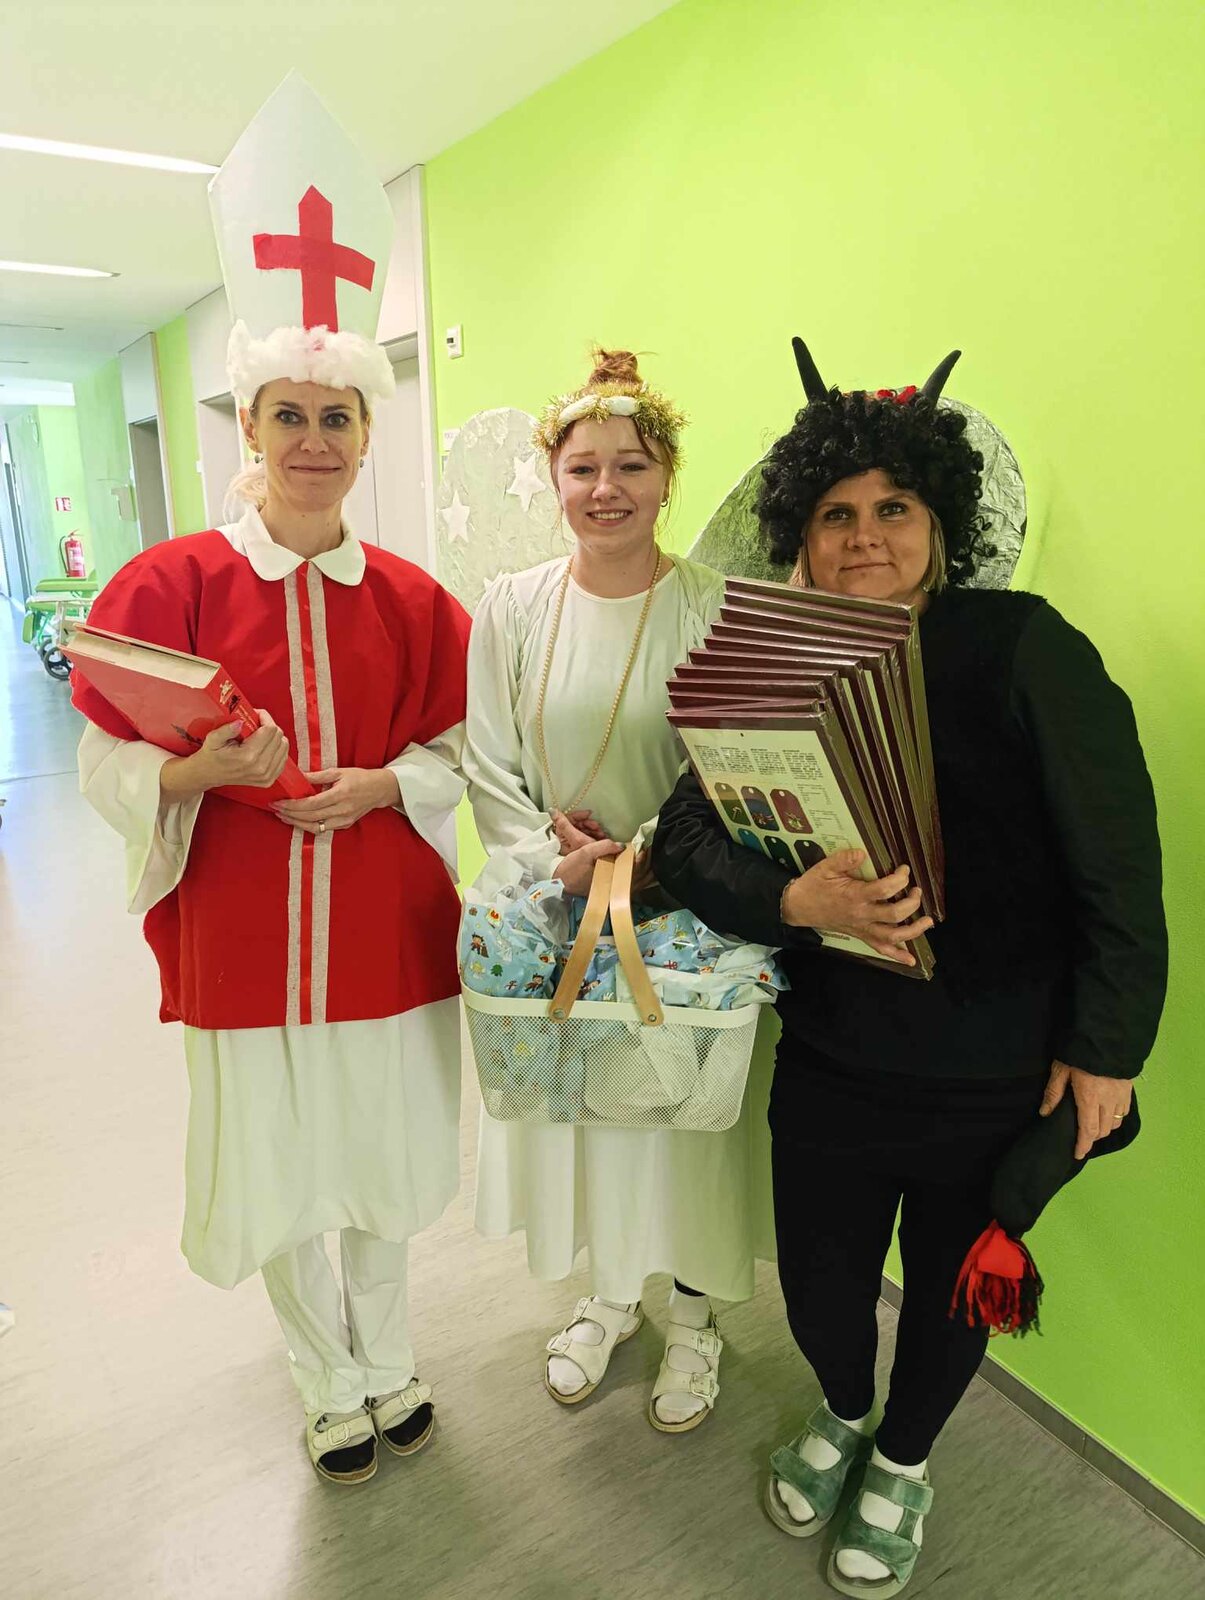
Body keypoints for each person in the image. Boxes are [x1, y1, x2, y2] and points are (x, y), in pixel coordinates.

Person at [651, 339, 1167, 1595]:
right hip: (833, 1058)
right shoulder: (775, 661)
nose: (864, 536)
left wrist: (1107, 1048)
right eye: (835, 515)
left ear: (938, 526)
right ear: (802, 534)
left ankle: (904, 1457)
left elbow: (1118, 863)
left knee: (945, 1297)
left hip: (995, 1069)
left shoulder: (1023, 647)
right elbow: (681, 839)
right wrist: (791, 896)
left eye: (893, 508)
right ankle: (841, 1409)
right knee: (823, 1296)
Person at [72, 77, 470, 1486]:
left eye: (336, 417)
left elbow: (458, 751)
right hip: (241, 933)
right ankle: (324, 1380)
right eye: (288, 414)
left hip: (382, 932)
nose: (312, 441)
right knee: (286, 1170)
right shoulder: (170, 581)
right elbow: (103, 747)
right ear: (250, 427)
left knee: (377, 1158)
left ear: (366, 433)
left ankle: (392, 1358)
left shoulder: (415, 600)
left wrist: (384, 787)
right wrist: (189, 770)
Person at [463, 348, 771, 1432]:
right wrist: (551, 862)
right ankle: (607, 1293)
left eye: (630, 466)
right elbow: (486, 759)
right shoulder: (509, 607)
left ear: (666, 476)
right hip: (555, 908)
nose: (605, 489)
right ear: (553, 479)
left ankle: (694, 1313)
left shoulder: (713, 606)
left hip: (686, 914)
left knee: (684, 1117)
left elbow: (731, 767)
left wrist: (641, 856)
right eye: (582, 467)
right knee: (593, 1112)